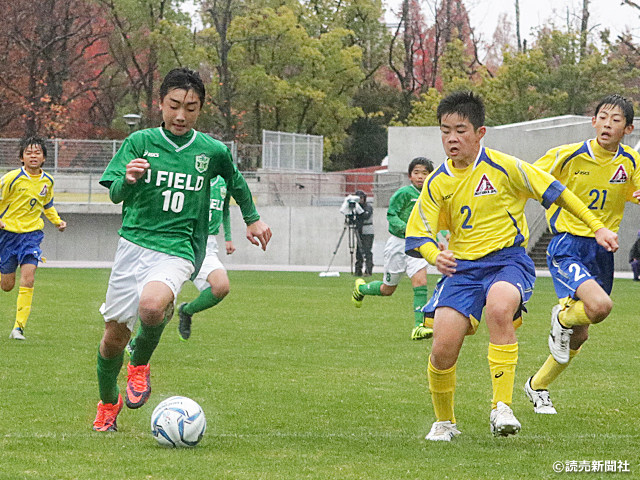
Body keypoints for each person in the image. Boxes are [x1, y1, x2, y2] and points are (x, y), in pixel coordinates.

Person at [404, 91, 618, 441]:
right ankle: (445, 423)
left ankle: (501, 408)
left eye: (460, 130)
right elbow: (418, 232)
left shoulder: (506, 166)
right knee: (442, 348)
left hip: (508, 261)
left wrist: (597, 226)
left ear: (480, 132)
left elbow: (557, 191)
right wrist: (434, 255)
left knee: (500, 307)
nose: (452, 139)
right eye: (445, 131)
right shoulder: (437, 182)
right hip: (462, 270)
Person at [92, 67, 271, 432]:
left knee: (152, 306)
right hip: (132, 245)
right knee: (113, 340)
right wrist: (127, 180)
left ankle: (139, 365)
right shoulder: (140, 142)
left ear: (199, 109)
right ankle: (108, 402)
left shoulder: (211, 150)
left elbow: (235, 181)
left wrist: (252, 219)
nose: (180, 115)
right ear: (159, 104)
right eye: (174, 105)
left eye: (190, 107)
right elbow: (114, 194)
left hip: (180, 246)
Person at [524, 94, 640, 415]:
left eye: (616, 120)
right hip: (568, 245)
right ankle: (560, 317)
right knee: (600, 306)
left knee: (582, 332)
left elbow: (636, 191)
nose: (607, 123)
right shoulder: (568, 155)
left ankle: (538, 386)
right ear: (593, 122)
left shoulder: (630, 161)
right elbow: (528, 178)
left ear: (627, 128)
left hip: (602, 251)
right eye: (603, 117)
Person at [352, 157, 435, 340]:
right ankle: (362, 289)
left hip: (419, 244)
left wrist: (441, 236)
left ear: (431, 176)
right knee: (387, 289)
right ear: (410, 176)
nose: (421, 177)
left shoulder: (433, 195)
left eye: (425, 173)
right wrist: (407, 229)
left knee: (420, 282)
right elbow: (392, 215)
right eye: (417, 173)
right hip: (399, 244)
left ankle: (419, 326)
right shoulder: (404, 193)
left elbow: (437, 218)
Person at [0, 137, 67, 340]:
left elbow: (47, 205)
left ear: (44, 157)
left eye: (37, 152)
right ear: (22, 157)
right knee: (7, 285)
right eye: (28, 153)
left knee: (29, 277)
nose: (33, 156)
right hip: (7, 235)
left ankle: (18, 328)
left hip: (31, 236)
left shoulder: (48, 181)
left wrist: (57, 221)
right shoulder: (11, 178)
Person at [177, 175, 235, 340]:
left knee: (221, 286)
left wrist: (228, 237)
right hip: (183, 239)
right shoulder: (191, 175)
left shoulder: (225, 180)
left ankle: (187, 311)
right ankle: (136, 342)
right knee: (160, 302)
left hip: (208, 244)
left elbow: (224, 209)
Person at [353, 190, 374, 277]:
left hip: (367, 231)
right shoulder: (355, 207)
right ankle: (358, 270)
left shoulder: (368, 207)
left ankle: (368, 270)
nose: (360, 200)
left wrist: (358, 211)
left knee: (366, 251)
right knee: (359, 251)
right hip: (359, 230)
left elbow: (365, 216)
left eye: (361, 198)